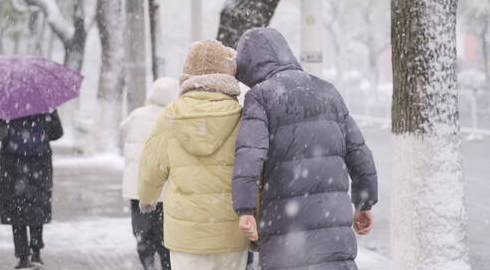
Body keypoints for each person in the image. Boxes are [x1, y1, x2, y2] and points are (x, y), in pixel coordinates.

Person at [231, 28, 378, 270]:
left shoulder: (261, 96)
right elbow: (359, 152)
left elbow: (250, 155)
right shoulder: (328, 91)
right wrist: (365, 203)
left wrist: (245, 210)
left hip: (287, 234)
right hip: (334, 233)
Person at [138, 40, 249, 270]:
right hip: (230, 232)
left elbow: (151, 167)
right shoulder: (242, 117)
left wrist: (147, 198)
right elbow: (253, 172)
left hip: (186, 236)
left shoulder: (171, 116)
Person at [0, 111, 63, 270]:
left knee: (16, 210)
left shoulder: (5, 103)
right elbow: (57, 133)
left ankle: (22, 256)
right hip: (39, 163)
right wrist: (43, 130)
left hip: (12, 163)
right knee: (37, 206)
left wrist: (7, 131)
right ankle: (36, 253)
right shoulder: (45, 104)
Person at [120, 77, 179, 270]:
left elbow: (122, 132)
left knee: (142, 230)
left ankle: (147, 262)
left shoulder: (137, 115)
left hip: (138, 186)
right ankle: (165, 264)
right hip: (165, 186)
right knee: (166, 235)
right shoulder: (174, 116)